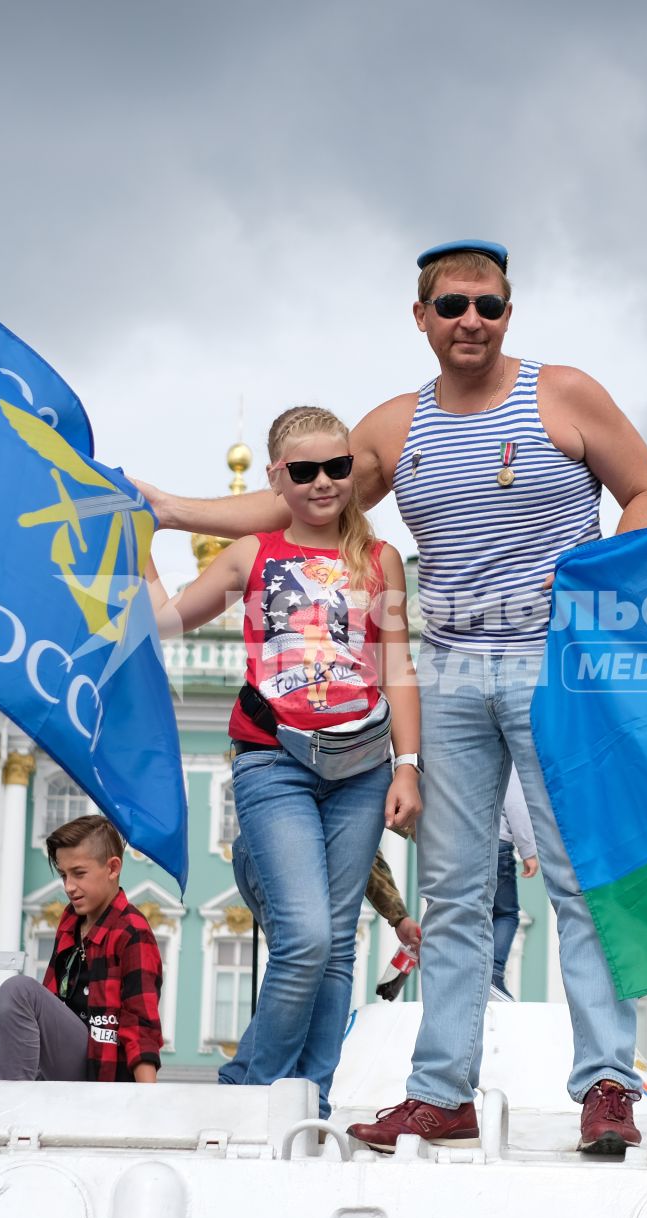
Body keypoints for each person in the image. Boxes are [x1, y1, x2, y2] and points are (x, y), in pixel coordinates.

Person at [139, 240, 647, 1155]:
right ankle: (441, 1093)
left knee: (581, 880)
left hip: (554, 664)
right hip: (454, 669)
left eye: (491, 305)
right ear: (421, 317)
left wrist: (595, 583)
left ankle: (606, 1086)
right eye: (454, 304)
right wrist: (174, 511)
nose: (473, 320)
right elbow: (307, 505)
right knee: (455, 893)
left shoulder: (564, 394)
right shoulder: (395, 427)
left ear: (510, 314)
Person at [148, 405, 422, 1116]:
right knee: (303, 935)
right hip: (274, 761)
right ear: (278, 478)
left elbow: (397, 670)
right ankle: (253, 1091)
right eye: (305, 471)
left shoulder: (378, 558)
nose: (325, 482)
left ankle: (313, 1102)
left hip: (362, 767)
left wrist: (408, 764)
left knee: (336, 947)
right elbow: (166, 621)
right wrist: (136, 541)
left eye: (339, 467)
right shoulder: (251, 551)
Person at [216, 843, 422, 1086]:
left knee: (299, 969)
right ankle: (254, 1080)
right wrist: (398, 916)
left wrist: (398, 916)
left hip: (259, 852)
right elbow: (360, 850)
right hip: (281, 856)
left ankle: (249, 1080)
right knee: (308, 968)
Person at [0, 814, 162, 1082]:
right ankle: (22, 1096)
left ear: (112, 868)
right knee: (20, 996)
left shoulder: (132, 930)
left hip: (103, 1072)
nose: (69, 887)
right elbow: (51, 997)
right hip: (63, 1067)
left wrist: (147, 1106)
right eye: (63, 875)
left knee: (18, 990)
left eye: (79, 873)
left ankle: (10, 1103)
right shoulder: (70, 921)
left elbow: (141, 1026)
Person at [490, 770, 539, 1001]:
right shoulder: (505, 758)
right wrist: (528, 850)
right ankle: (494, 974)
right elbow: (515, 805)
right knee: (506, 914)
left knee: (470, 914)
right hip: (498, 844)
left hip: (462, 845)